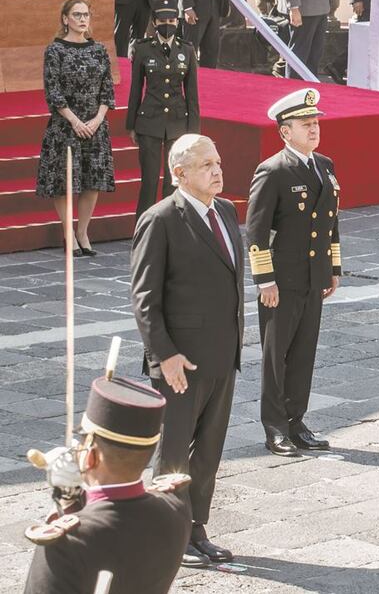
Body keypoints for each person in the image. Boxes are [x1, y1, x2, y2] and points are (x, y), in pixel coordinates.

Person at [131, 134, 244, 568]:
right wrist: (165, 355)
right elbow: (145, 297)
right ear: (179, 174)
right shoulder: (161, 220)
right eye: (205, 165)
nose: (217, 171)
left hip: (221, 355)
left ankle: (196, 529)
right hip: (180, 361)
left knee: (209, 452)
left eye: (217, 162)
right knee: (173, 453)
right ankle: (163, 534)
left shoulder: (227, 211)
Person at [23, 374, 191, 593]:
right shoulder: (177, 509)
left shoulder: (63, 544)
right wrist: (69, 502)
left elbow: (97, 532)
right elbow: (113, 527)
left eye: (81, 446)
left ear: (91, 456)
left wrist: (67, 498)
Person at [245, 88, 341, 457]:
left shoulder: (325, 166)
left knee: (304, 353)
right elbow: (256, 231)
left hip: (313, 277)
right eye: (306, 124)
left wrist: (332, 268)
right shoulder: (273, 170)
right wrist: (264, 280)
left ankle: (296, 420)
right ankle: (274, 427)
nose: (314, 129)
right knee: (276, 355)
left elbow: (331, 222)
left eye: (316, 122)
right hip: (281, 281)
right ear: (286, 131)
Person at [37, 0, 115, 257]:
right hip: (65, 125)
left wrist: (97, 119)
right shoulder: (55, 50)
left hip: (95, 125)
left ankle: (82, 232)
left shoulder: (99, 50)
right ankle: (68, 232)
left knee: (93, 180)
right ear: (65, 19)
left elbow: (107, 88)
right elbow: (53, 91)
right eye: (77, 15)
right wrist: (75, 121)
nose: (83, 19)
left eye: (86, 15)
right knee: (65, 182)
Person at [126, 0, 200, 218]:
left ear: (177, 22)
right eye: (162, 20)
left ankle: (171, 224)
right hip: (149, 121)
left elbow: (192, 94)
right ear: (154, 22)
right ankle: (144, 225)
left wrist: (194, 130)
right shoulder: (143, 49)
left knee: (173, 180)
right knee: (149, 181)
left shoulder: (186, 50)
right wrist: (132, 124)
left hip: (178, 122)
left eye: (171, 20)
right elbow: (135, 89)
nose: (167, 24)